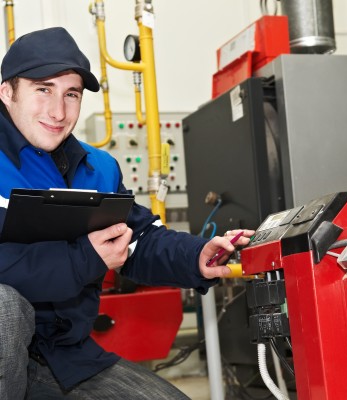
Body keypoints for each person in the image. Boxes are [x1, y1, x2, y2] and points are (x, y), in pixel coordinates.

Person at [0, 27, 254, 399]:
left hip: (64, 357)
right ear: (7, 92)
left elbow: (135, 240)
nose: (58, 111)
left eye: (71, 94)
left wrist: (194, 256)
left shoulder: (97, 169)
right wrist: (82, 258)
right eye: (43, 90)